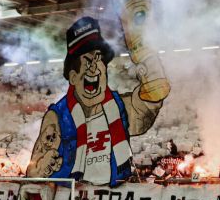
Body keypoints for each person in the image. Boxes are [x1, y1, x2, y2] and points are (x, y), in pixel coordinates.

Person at [25, 15, 167, 187]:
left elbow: (153, 94)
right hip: (72, 199)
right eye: (87, 60)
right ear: (73, 76)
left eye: (98, 58)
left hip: (111, 198)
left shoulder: (119, 106)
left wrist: (145, 54)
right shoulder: (59, 117)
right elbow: (33, 172)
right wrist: (43, 167)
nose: (94, 67)